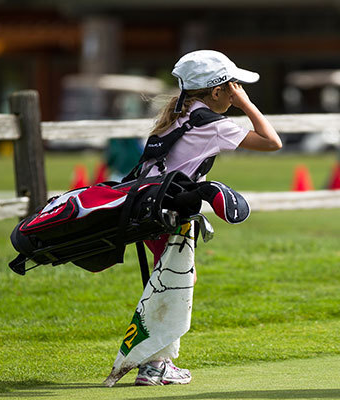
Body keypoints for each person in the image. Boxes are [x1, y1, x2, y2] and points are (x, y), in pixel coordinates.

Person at [109, 50, 282, 387]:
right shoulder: (212, 124)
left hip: (151, 209)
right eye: (233, 87)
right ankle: (155, 366)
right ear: (217, 92)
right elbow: (272, 142)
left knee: (170, 281)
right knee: (174, 283)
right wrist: (247, 104)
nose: (236, 93)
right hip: (169, 215)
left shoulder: (180, 113)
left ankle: (158, 361)